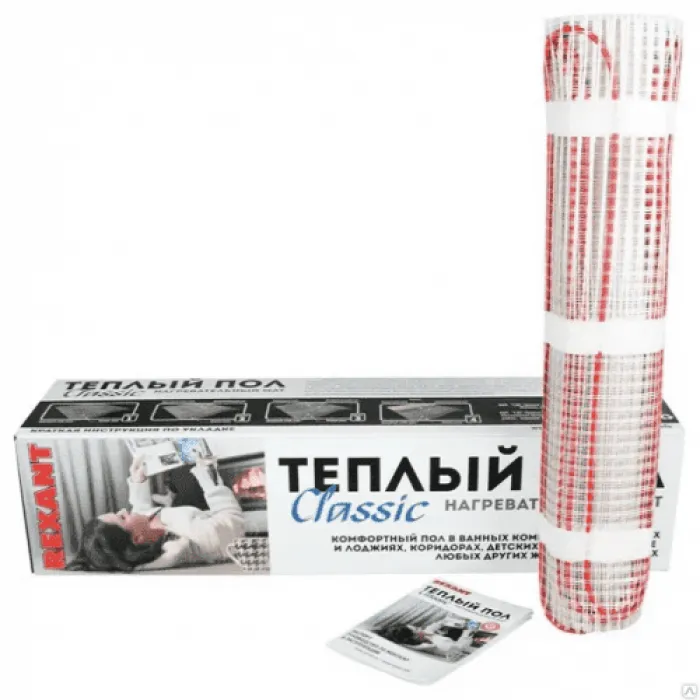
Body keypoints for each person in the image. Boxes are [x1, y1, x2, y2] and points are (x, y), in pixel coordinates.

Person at [66, 451, 245, 572]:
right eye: (122, 517)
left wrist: (138, 480)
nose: (123, 510)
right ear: (138, 539)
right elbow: (233, 519)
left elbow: (140, 510)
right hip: (210, 504)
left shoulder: (145, 530)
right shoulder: (195, 538)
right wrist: (209, 476)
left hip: (182, 504)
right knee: (185, 473)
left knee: (180, 470)